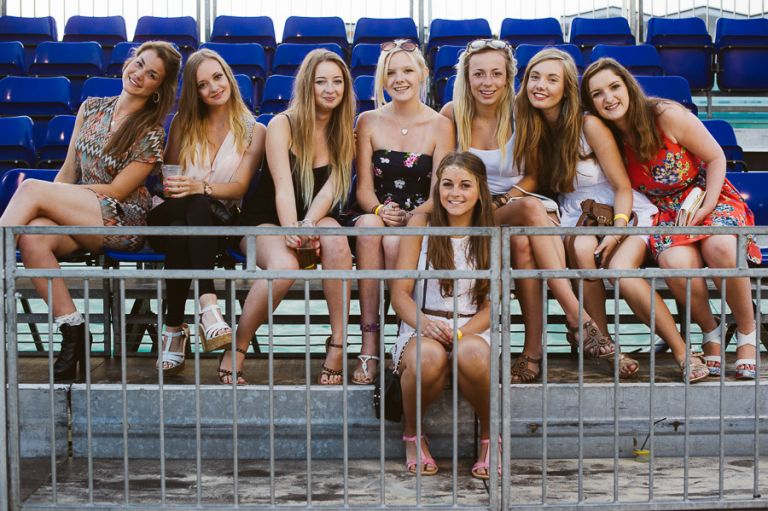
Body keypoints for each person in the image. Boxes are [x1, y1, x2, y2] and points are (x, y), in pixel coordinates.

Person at [0, 41, 181, 381]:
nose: (139, 74)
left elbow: (117, 191)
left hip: (122, 218)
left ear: (159, 87)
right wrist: (55, 202)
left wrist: (54, 196)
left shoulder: (152, 133)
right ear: (129, 62)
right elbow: (67, 173)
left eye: (151, 74)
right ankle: (74, 330)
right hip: (83, 211)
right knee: (33, 236)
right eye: (139, 64)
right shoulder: (91, 107)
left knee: (30, 189)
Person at [582, 57, 760, 380]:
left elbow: (716, 157)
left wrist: (705, 208)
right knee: (676, 261)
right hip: (663, 211)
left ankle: (747, 332)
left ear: (628, 86)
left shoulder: (665, 115)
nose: (608, 98)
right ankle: (711, 329)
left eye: (614, 87)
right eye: (597, 94)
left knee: (721, 247)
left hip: (705, 195)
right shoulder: (607, 138)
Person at [493, 48, 623, 381]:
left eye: (552, 80)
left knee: (559, 245)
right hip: (565, 213)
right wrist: (507, 197)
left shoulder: (588, 124)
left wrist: (618, 227)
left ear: (566, 89)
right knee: (540, 238)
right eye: (535, 77)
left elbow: (622, 185)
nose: (541, 85)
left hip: (606, 212)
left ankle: (578, 335)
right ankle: (581, 324)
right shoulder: (529, 121)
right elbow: (535, 176)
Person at [230, 49, 355, 385]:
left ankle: (338, 344)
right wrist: (293, 230)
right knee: (286, 267)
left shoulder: (345, 131)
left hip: (316, 216)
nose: (330, 89)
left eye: (337, 81)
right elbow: (283, 186)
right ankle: (237, 347)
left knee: (339, 245)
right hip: (268, 219)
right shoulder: (282, 123)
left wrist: (309, 225)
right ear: (307, 86)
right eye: (321, 81)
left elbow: (329, 192)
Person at [147, 48, 265, 376]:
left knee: (183, 231)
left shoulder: (254, 130)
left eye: (217, 77)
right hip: (168, 210)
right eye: (202, 84)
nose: (213, 87)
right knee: (188, 209)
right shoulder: (184, 124)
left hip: (216, 223)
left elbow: (240, 186)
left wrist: (201, 187)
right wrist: (186, 188)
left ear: (228, 77)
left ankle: (174, 330)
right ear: (194, 91)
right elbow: (167, 178)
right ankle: (208, 308)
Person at [351, 39, 454, 385]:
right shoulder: (368, 121)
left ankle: (401, 338)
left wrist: (412, 217)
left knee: (397, 241)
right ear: (382, 79)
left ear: (423, 74)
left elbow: (440, 191)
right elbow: (363, 188)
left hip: (421, 216)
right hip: (378, 212)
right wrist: (381, 209)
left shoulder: (441, 125)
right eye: (391, 72)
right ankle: (369, 343)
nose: (400, 78)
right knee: (368, 226)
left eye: (408, 70)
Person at [391, 151, 495, 479]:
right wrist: (425, 324)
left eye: (465, 185)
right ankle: (413, 434)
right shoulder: (421, 224)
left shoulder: (491, 231)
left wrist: (461, 333)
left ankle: (491, 439)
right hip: (423, 323)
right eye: (447, 184)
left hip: (473, 326)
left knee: (472, 352)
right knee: (428, 358)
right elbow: (399, 295)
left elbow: (495, 306)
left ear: (480, 190)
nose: (455, 193)